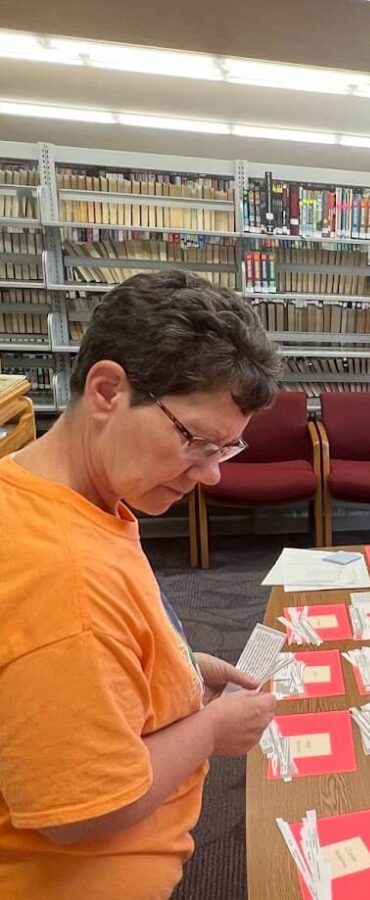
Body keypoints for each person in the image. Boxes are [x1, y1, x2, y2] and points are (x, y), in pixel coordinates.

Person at [0, 270, 283, 899]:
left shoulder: (64, 496)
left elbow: (85, 671)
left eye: (226, 450)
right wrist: (209, 730)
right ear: (107, 391)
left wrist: (175, 673)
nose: (210, 476)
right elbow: (85, 810)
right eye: (195, 441)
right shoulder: (60, 578)